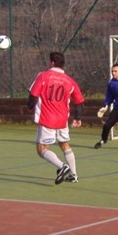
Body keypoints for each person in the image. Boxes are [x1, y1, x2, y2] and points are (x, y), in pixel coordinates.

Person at [27, 51, 85, 184]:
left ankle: (62, 166)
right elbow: (79, 102)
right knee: (65, 144)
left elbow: (33, 95)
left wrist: (29, 106)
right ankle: (74, 175)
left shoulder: (43, 76)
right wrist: (77, 117)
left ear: (51, 62)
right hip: (63, 120)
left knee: (42, 149)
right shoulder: (70, 81)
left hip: (47, 119)